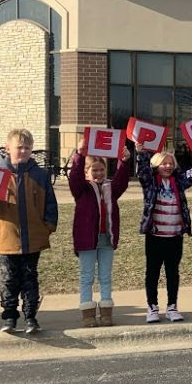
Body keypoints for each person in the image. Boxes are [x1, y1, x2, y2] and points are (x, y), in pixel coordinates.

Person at [0, 128, 58, 335]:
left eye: (27, 148)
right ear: (7, 149)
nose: (23, 151)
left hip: (33, 238)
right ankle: (9, 317)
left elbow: (50, 203)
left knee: (30, 278)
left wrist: (48, 226)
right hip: (7, 237)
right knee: (8, 279)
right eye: (19, 147)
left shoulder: (40, 175)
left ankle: (30, 317)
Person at [135, 141, 192, 323]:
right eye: (164, 163)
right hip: (155, 236)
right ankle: (152, 307)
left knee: (173, 272)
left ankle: (172, 307)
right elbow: (142, 172)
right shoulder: (150, 183)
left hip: (174, 236)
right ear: (156, 165)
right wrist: (140, 152)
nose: (168, 166)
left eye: (171, 163)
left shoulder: (178, 182)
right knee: (152, 272)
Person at [69, 139, 131, 328]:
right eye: (93, 170)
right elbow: (74, 178)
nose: (98, 173)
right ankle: (88, 314)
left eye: (101, 169)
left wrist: (124, 160)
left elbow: (122, 179)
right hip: (87, 240)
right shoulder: (81, 190)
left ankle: (106, 312)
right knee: (87, 277)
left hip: (106, 239)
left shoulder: (111, 188)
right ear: (87, 172)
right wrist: (79, 155)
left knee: (105, 276)